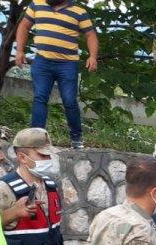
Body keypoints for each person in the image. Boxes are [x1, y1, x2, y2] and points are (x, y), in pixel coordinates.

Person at [14, 0, 99, 149]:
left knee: (70, 101)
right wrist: (20, 51)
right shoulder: (36, 5)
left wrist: (92, 56)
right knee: (40, 97)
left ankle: (76, 138)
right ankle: (36, 139)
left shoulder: (79, 12)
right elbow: (24, 26)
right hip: (42, 62)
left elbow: (90, 35)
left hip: (67, 64)